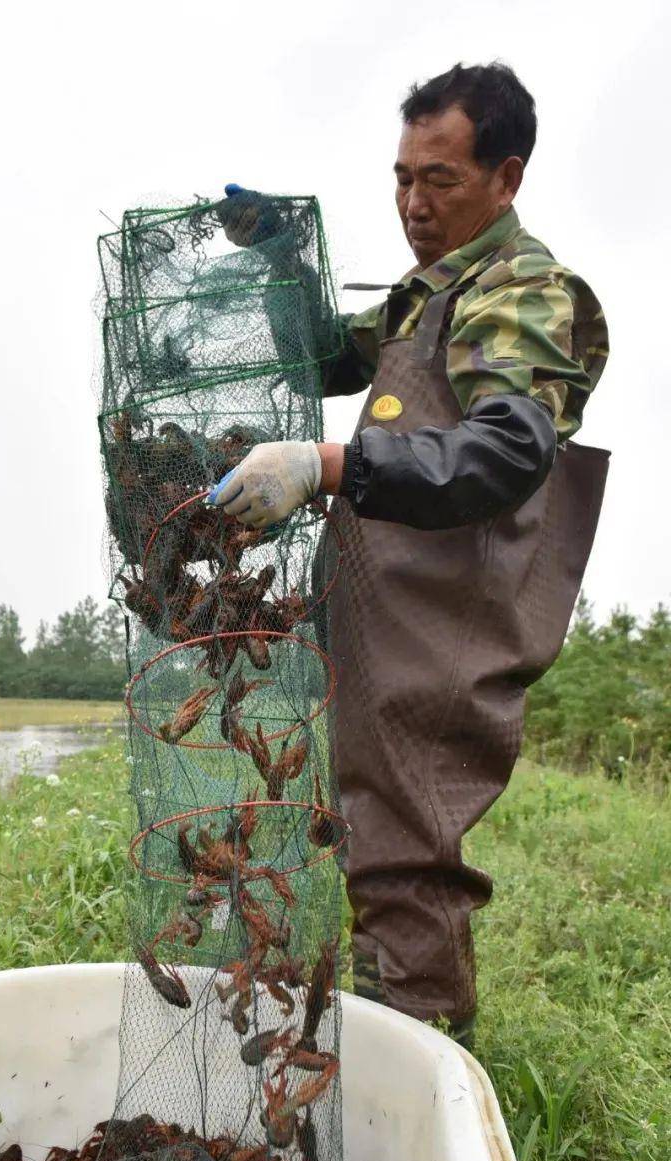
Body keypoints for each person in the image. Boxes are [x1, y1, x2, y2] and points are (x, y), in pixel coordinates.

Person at [210, 62, 610, 1047]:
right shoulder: (425, 295)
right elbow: (322, 355)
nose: (413, 205)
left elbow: (509, 449)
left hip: (446, 622)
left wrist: (327, 461)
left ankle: (431, 1089)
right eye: (401, 179)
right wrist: (284, 261)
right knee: (366, 831)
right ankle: (391, 1049)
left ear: (506, 177)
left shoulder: (519, 289)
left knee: (405, 850)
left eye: (441, 180)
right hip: (386, 612)